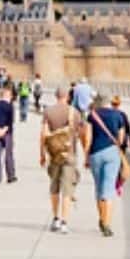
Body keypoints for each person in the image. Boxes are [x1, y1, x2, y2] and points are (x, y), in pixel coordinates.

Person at [81, 94, 130, 237]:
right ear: (109, 102)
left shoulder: (92, 116)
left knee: (98, 188)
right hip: (112, 153)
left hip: (95, 153)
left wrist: (86, 157)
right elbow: (121, 139)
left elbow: (88, 138)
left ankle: (102, 219)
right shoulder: (118, 116)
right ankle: (106, 223)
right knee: (109, 188)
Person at [39, 85, 82, 233]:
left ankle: (56, 218)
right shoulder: (74, 112)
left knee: (54, 187)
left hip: (54, 154)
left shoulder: (48, 112)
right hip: (69, 154)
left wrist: (42, 154)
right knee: (67, 189)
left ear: (56, 96)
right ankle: (64, 221)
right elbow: (81, 133)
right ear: (67, 96)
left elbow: (43, 134)